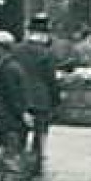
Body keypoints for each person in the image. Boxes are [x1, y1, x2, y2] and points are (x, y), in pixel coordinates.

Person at [14, 13, 62, 165]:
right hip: (41, 100)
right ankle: (35, 166)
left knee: (20, 135)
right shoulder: (46, 54)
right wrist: (56, 100)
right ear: (44, 35)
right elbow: (51, 80)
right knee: (39, 135)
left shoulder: (16, 50)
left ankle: (18, 165)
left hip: (20, 97)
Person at [0, 30, 30, 155]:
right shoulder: (8, 65)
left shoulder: (8, 68)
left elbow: (14, 96)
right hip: (6, 121)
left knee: (8, 157)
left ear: (0, 48)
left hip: (8, 122)